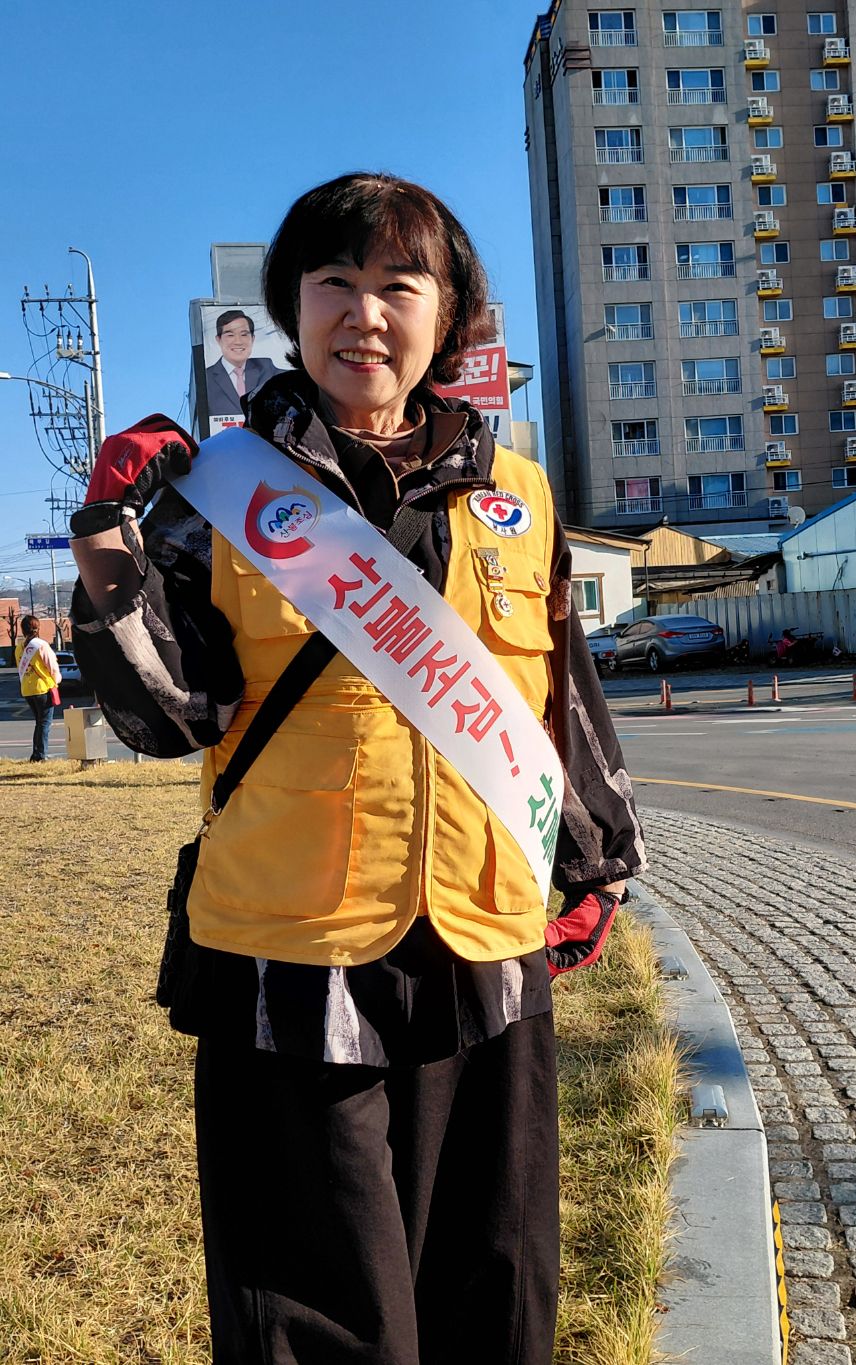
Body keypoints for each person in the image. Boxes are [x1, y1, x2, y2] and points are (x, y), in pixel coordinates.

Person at [70, 171, 646, 1365]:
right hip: (290, 953)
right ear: (292, 306)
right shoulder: (222, 487)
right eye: (334, 281)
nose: (364, 314)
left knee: (494, 1285)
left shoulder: (517, 492)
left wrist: (594, 860)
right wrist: (109, 544)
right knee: (319, 1311)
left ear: (450, 315)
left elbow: (559, 695)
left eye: (399, 284)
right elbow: (168, 716)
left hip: (483, 944)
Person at [204, 308, 282, 416]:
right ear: (218, 339)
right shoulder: (206, 379)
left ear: (252, 339)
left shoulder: (266, 367)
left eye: (244, 334)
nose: (238, 342)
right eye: (230, 335)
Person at [16, 615, 61, 762]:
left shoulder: (19, 648)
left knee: (39, 722)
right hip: (42, 688)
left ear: (23, 630)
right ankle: (40, 755)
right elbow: (52, 667)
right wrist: (56, 681)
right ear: (38, 628)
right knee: (45, 722)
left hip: (27, 689)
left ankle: (36, 753)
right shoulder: (41, 645)